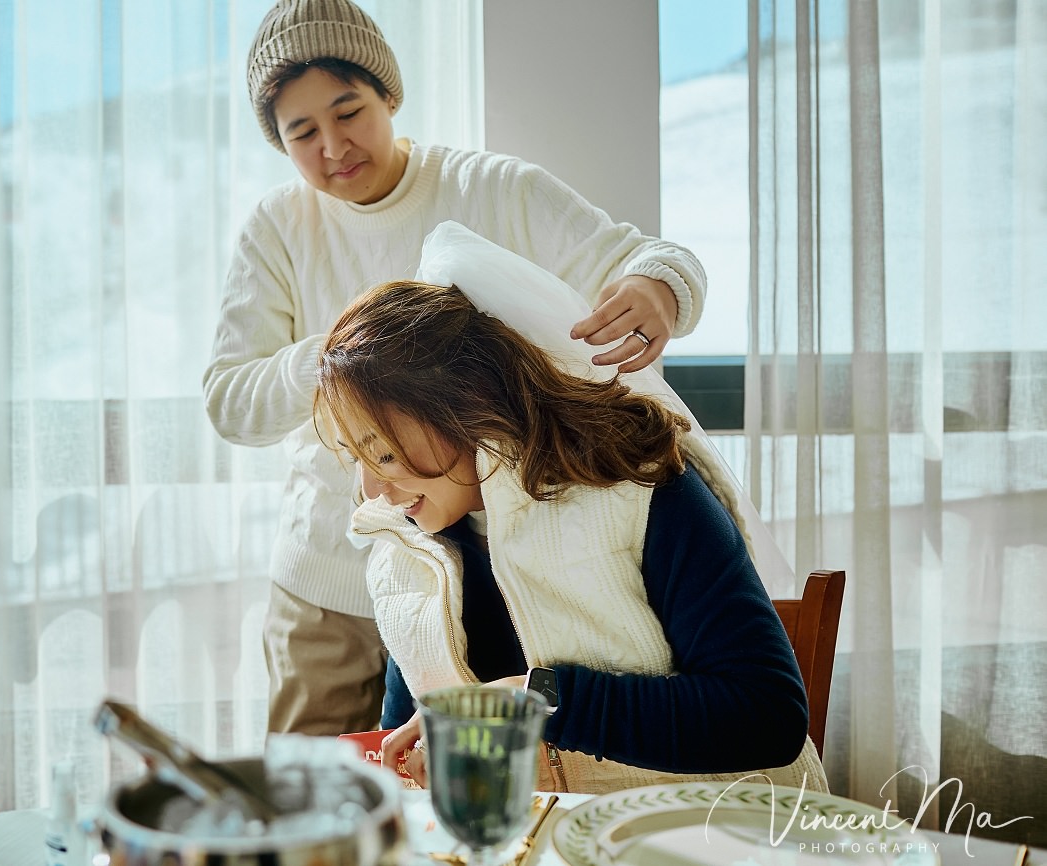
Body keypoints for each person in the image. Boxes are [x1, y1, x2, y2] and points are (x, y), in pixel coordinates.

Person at [203, 0, 710, 736]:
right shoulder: (277, 228)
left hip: (481, 568)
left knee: (470, 797)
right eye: (301, 132)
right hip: (330, 581)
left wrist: (659, 288)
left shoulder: (488, 189)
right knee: (317, 804)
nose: (332, 145)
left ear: (389, 96)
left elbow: (653, 258)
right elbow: (227, 402)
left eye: (349, 111)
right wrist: (344, 363)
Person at [313, 225, 829, 794]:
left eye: (384, 452)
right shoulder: (405, 550)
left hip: (718, 832)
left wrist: (536, 699)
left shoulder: (639, 488)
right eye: (354, 455)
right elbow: (405, 747)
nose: (373, 490)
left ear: (473, 408)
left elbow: (767, 716)